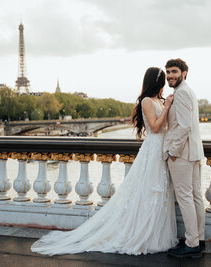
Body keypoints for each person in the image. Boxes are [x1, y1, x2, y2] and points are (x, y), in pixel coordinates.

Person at [31, 67, 177, 255]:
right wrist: (167, 108)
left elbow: (164, 125)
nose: (165, 84)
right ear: (157, 82)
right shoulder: (148, 101)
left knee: (158, 193)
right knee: (149, 192)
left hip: (160, 150)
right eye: (163, 80)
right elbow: (156, 128)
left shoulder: (158, 100)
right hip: (153, 150)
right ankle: (143, 234)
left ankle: (154, 233)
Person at [163, 58, 205, 258]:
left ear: (184, 72)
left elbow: (184, 126)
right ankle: (199, 238)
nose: (170, 75)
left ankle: (191, 243)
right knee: (195, 197)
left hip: (183, 153)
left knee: (186, 197)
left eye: (174, 71)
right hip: (194, 152)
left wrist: (173, 151)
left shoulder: (181, 93)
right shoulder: (188, 91)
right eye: (168, 72)